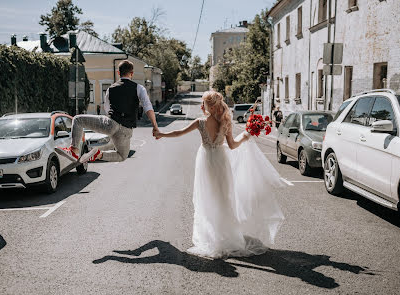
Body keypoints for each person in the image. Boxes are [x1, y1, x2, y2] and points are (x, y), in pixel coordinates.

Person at [154, 91, 285, 259]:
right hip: (221, 162)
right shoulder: (225, 123)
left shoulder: (200, 122)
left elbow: (179, 132)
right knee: (224, 198)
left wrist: (161, 134)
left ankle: (214, 238)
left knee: (208, 198)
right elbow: (232, 145)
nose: (201, 107)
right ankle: (227, 236)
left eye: (204, 104)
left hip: (206, 161)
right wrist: (245, 136)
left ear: (212, 106)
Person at [56, 60, 159, 163]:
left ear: (118, 73)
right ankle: (99, 155)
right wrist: (155, 126)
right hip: (126, 130)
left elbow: (107, 109)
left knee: (78, 120)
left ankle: (74, 150)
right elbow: (148, 107)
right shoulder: (139, 88)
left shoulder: (111, 89)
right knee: (122, 156)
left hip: (111, 124)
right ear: (132, 73)